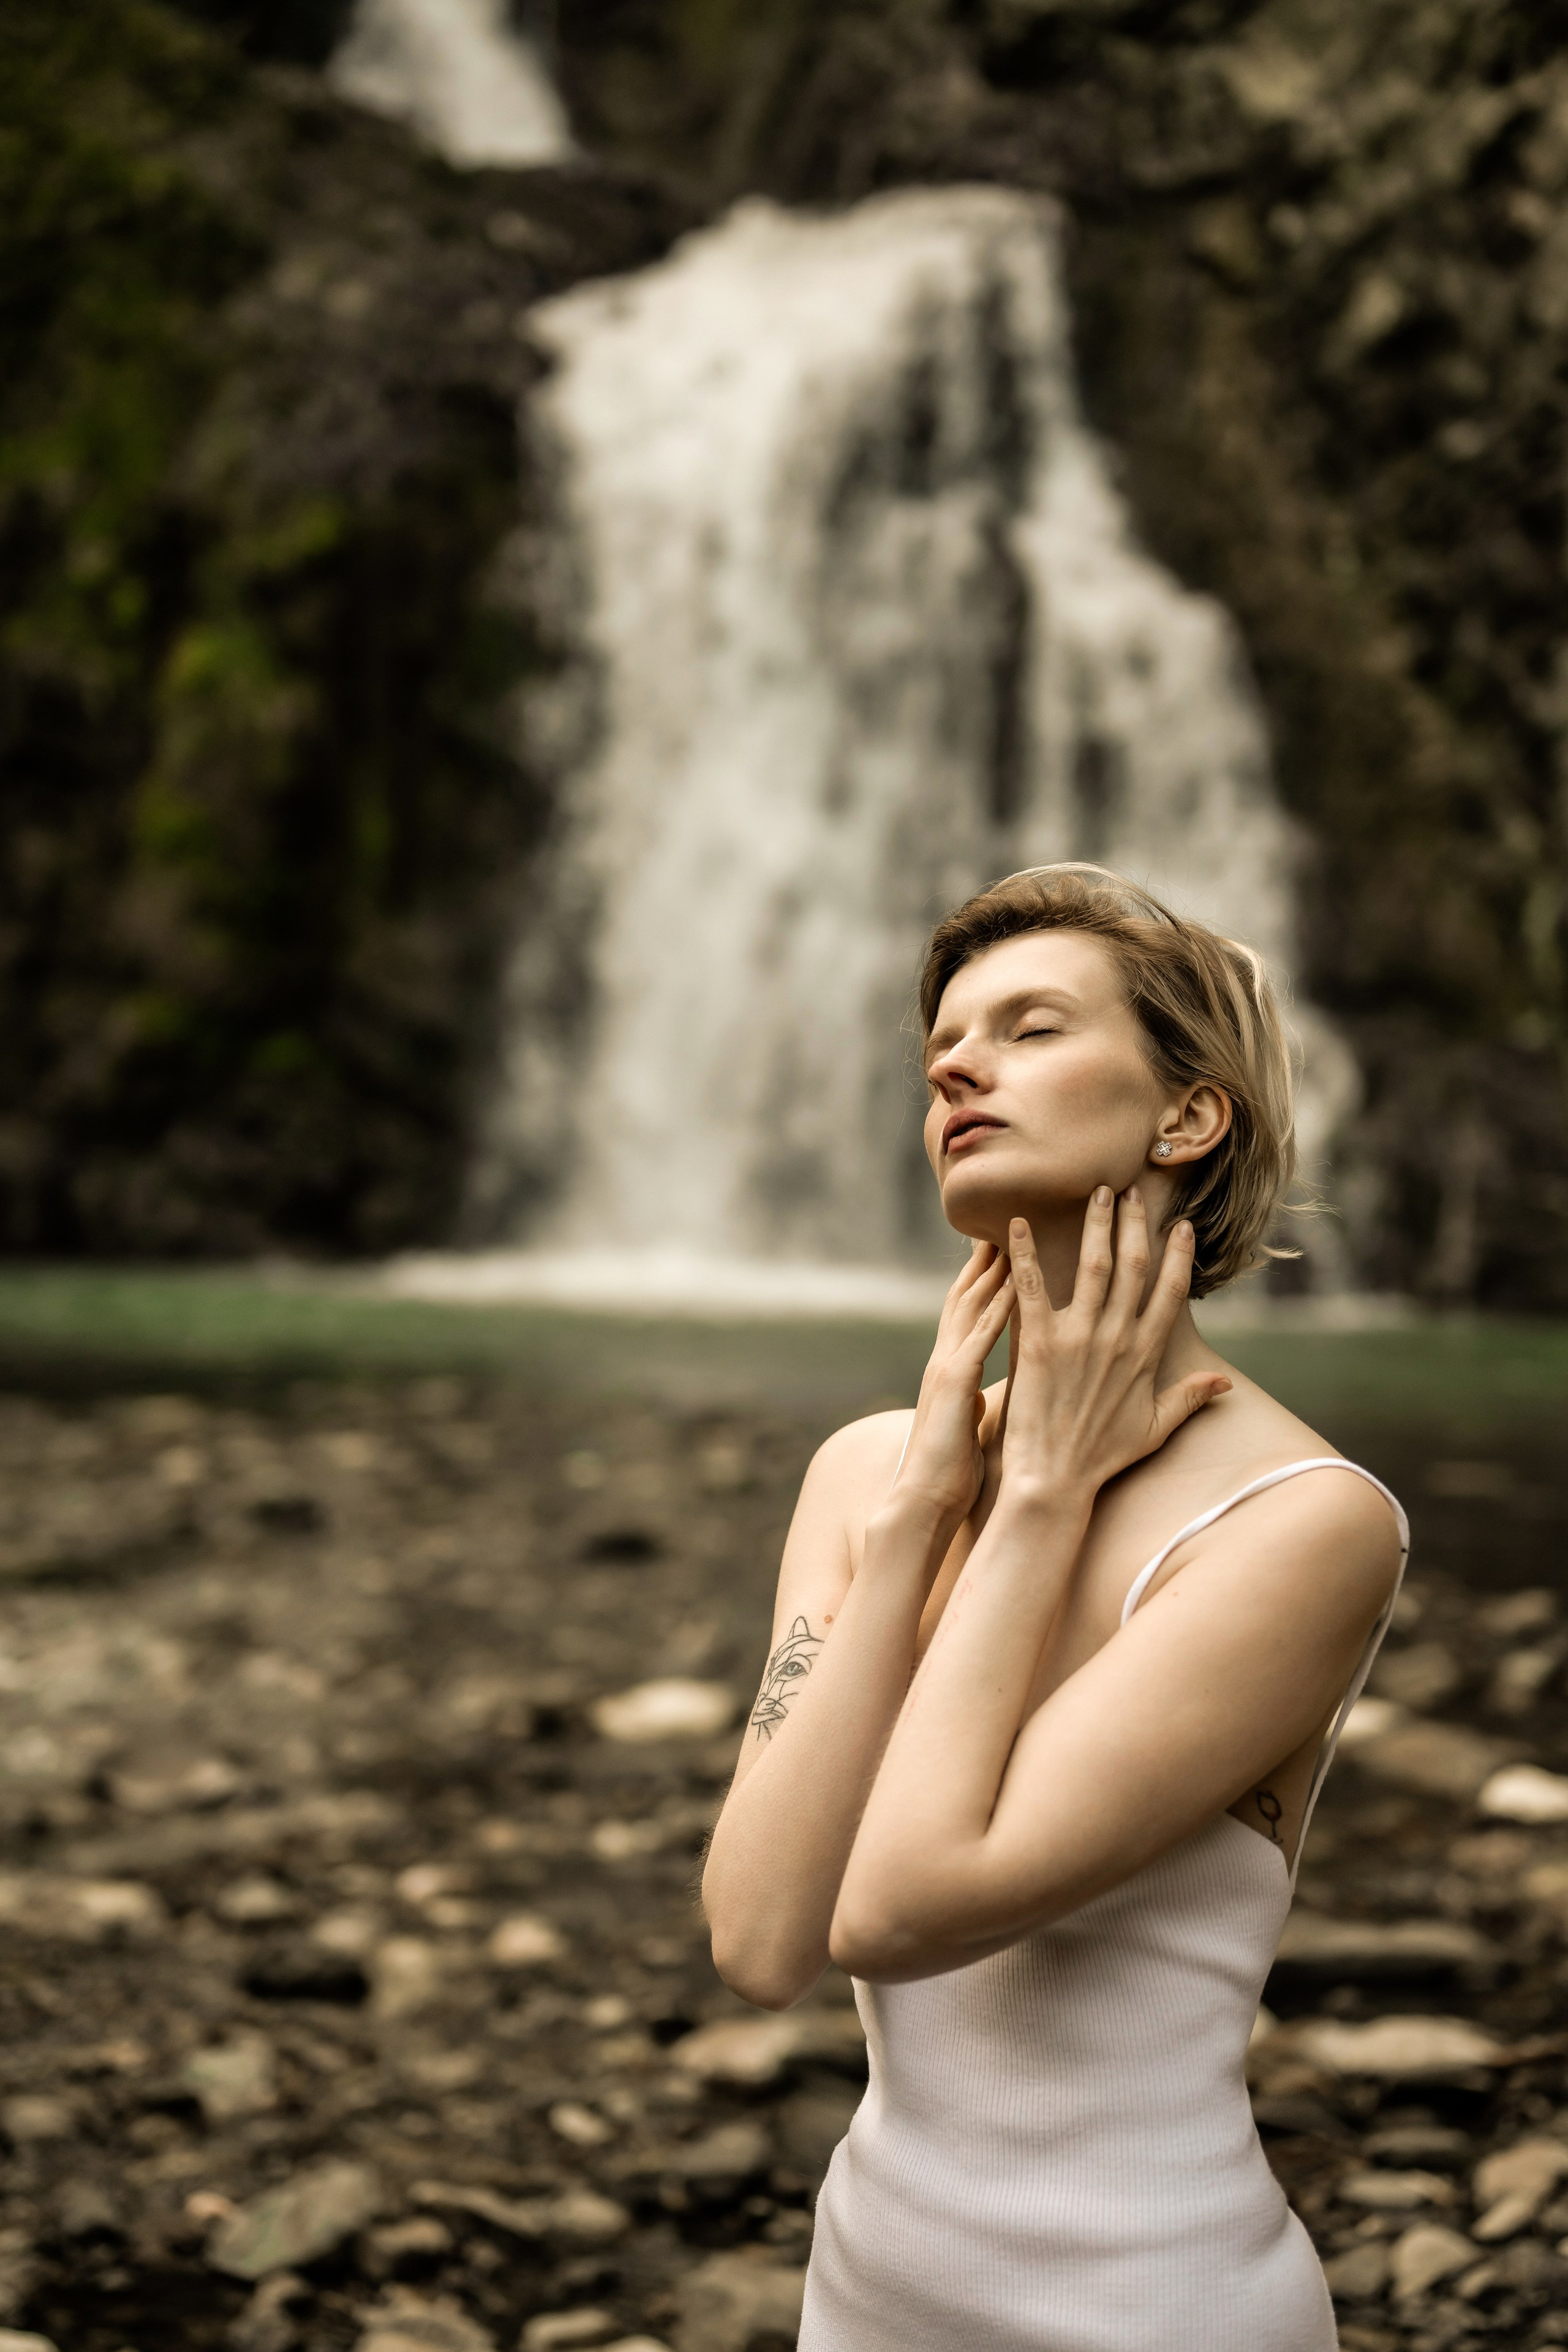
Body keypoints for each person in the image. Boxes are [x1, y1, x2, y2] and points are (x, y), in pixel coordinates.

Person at [701, 864, 1408, 2352]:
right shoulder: (867, 1478)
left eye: (1028, 1029)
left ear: (1184, 1115)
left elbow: (896, 1910)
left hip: (1151, 2308)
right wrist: (919, 1519)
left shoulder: (1302, 1525)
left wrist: (1033, 1504)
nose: (957, 1065)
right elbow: (764, 1944)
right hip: (866, 2294)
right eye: (943, 1048)